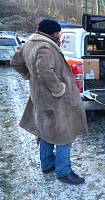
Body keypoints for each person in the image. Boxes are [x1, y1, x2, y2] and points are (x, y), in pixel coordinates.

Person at [10, 19, 88, 184]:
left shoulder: (29, 43)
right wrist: (58, 88)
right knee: (64, 134)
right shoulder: (46, 47)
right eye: (58, 32)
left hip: (40, 98)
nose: (60, 35)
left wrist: (29, 76)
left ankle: (47, 164)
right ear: (52, 32)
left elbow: (16, 62)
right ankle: (64, 171)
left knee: (46, 131)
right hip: (55, 100)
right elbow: (44, 71)